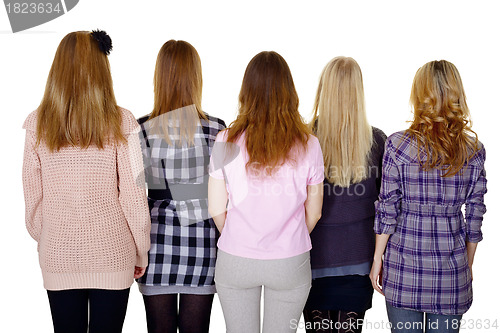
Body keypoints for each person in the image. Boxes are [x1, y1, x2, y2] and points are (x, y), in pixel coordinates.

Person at [22, 30, 151, 333]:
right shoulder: (123, 121)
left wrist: (52, 237)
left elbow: (33, 200)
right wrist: (141, 249)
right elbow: (133, 196)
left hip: (57, 254)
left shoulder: (36, 124)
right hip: (114, 252)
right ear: (102, 69)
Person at [208, 51, 324, 333]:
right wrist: (289, 236)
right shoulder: (309, 144)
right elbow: (315, 212)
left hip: (236, 259)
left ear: (246, 91)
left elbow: (215, 208)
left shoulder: (225, 140)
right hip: (289, 261)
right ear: (289, 91)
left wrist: (240, 235)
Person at [370, 60, 487, 333]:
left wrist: (377, 259)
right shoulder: (473, 150)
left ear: (419, 93)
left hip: (403, 267)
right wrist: (466, 265)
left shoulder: (397, 145)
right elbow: (475, 215)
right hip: (451, 270)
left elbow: (387, 208)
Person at [136, 40, 226, 333]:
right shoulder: (217, 129)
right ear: (196, 78)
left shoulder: (140, 129)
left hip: (156, 243)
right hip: (201, 245)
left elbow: (135, 195)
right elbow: (226, 196)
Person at [303, 57, 386, 333]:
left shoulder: (303, 139)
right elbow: (386, 208)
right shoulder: (377, 142)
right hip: (360, 260)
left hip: (312, 258)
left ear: (323, 90)